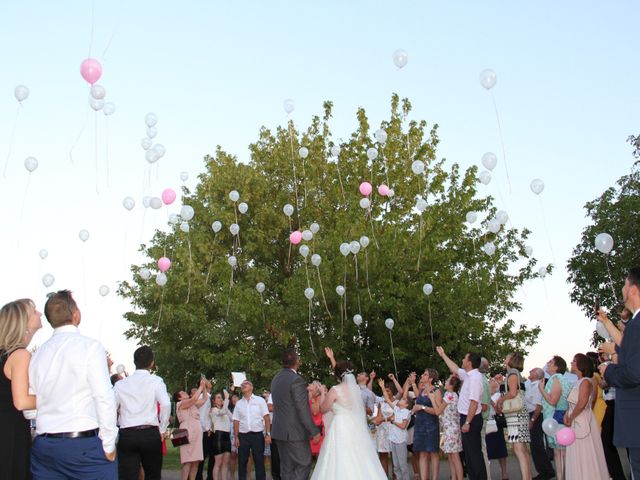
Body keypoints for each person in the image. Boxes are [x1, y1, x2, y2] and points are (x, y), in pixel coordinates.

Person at [29, 290, 118, 479]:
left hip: (45, 447)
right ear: (76, 314)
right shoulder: (90, 347)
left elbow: (30, 409)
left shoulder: (37, 355)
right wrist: (109, 443)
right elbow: (104, 397)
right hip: (83, 446)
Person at [310, 357, 387, 479]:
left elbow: (323, 409)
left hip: (340, 426)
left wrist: (323, 393)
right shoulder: (356, 390)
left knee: (340, 455)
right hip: (355, 426)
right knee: (358, 454)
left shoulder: (335, 390)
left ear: (338, 375)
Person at [601, 267, 640, 478]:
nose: (623, 289)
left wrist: (609, 371)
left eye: (625, 284)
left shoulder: (636, 325)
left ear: (633, 289)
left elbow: (634, 373)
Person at [113, 345, 171, 480]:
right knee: (153, 475)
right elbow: (166, 404)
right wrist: (162, 429)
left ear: (134, 362)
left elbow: (111, 408)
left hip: (127, 433)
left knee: (127, 476)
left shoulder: (120, 385)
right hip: (149, 433)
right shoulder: (156, 381)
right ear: (152, 363)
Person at [0, 298, 41, 480]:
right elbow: (22, 401)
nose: (39, 313)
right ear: (23, 321)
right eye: (34, 311)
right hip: (10, 434)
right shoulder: (20, 354)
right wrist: (55, 397)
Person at [437, 346, 486, 480]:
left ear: (469, 362)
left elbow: (474, 402)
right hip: (466, 418)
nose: (462, 360)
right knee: (469, 455)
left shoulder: (475, 378)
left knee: (474, 454)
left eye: (464, 358)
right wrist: (443, 355)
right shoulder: (467, 375)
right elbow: (454, 368)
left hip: (471, 419)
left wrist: (467, 422)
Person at [270, 348, 319, 480]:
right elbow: (302, 409)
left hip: (279, 431)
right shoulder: (296, 380)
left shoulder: (275, 379)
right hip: (295, 433)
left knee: (287, 468)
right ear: (297, 361)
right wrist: (314, 430)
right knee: (303, 464)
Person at [564, 354, 609, 479]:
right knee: (577, 452)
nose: (571, 363)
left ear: (581, 364)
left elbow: (582, 403)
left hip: (582, 420)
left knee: (585, 452)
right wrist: (566, 414)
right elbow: (573, 402)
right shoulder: (578, 381)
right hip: (575, 418)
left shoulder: (586, 382)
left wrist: (571, 417)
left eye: (574, 361)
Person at [495, 352, 532, 480]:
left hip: (516, 414)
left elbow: (512, 393)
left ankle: (526, 477)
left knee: (518, 447)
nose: (505, 358)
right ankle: (528, 476)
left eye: (507, 356)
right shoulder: (515, 374)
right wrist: (501, 383)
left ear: (511, 359)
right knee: (522, 448)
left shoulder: (512, 373)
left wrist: (500, 400)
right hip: (519, 413)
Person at [539, 355, 571, 480]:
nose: (547, 362)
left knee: (560, 453)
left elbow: (553, 401)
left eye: (551, 362)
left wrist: (541, 389)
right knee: (559, 453)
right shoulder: (559, 378)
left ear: (557, 367)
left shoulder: (557, 378)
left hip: (557, 419)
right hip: (557, 419)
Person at [233, 379, 271, 480]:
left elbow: (267, 418)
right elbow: (236, 421)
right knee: (242, 462)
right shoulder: (239, 403)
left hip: (257, 435)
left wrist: (268, 434)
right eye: (242, 385)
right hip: (243, 436)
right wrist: (236, 437)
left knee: (259, 461)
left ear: (252, 387)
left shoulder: (260, 400)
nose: (243, 385)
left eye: (246, 384)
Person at [410, 369, 441, 480]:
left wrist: (422, 408)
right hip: (419, 425)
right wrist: (413, 382)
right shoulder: (421, 390)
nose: (422, 375)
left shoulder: (436, 391)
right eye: (423, 373)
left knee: (433, 453)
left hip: (431, 425)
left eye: (425, 374)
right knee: (422, 453)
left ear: (431, 379)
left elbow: (438, 410)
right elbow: (417, 400)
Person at [525, 367, 555, 480]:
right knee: (535, 445)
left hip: (536, 415)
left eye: (532, 371)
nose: (529, 371)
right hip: (533, 414)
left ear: (537, 375)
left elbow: (539, 405)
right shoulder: (531, 384)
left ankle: (546, 471)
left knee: (537, 445)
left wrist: (532, 420)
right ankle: (546, 470)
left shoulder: (537, 386)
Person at [378, 378, 411, 480]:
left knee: (402, 465)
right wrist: (382, 387)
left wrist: (393, 421)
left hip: (400, 440)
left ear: (406, 405)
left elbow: (403, 426)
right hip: (393, 440)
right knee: (396, 466)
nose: (400, 400)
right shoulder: (396, 409)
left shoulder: (406, 412)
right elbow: (387, 400)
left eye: (403, 400)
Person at [174, 380, 208, 480]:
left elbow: (205, 399)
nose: (185, 392)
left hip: (196, 430)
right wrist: (200, 387)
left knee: (196, 460)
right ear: (179, 397)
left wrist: (204, 387)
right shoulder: (180, 404)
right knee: (187, 460)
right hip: (184, 430)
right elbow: (194, 399)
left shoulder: (192, 404)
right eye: (183, 393)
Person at [434, 374, 463, 480]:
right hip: (449, 428)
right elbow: (441, 406)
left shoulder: (449, 396)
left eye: (447, 381)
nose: (445, 382)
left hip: (451, 429)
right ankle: (454, 477)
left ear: (451, 385)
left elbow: (438, 411)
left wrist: (432, 398)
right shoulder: (449, 394)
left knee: (455, 457)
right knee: (451, 456)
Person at [486, 377, 508, 480]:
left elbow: (500, 411)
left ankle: (504, 473)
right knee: (486, 451)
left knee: (500, 450)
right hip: (486, 424)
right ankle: (486, 473)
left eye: (493, 380)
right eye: (490, 380)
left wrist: (490, 401)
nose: (490, 381)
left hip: (495, 424)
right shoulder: (485, 394)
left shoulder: (499, 395)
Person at [210, 390, 233, 480]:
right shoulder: (213, 410)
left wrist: (226, 405)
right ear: (213, 401)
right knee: (218, 462)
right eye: (218, 397)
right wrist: (227, 399)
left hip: (226, 436)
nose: (221, 399)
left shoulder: (225, 409)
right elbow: (221, 413)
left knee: (226, 462)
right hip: (218, 436)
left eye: (221, 397)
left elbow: (232, 417)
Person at [196, 378, 214, 480]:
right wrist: (206, 428)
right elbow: (202, 415)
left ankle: (210, 476)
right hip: (204, 430)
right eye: (207, 381)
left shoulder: (212, 397)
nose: (209, 382)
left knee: (212, 456)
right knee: (201, 456)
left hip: (211, 430)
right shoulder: (202, 397)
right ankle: (198, 477)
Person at [308, 381, 325, 458]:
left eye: (312, 384)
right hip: (311, 427)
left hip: (317, 428)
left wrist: (311, 399)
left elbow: (315, 412)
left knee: (319, 454)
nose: (309, 385)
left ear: (316, 389)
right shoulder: (311, 397)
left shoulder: (317, 398)